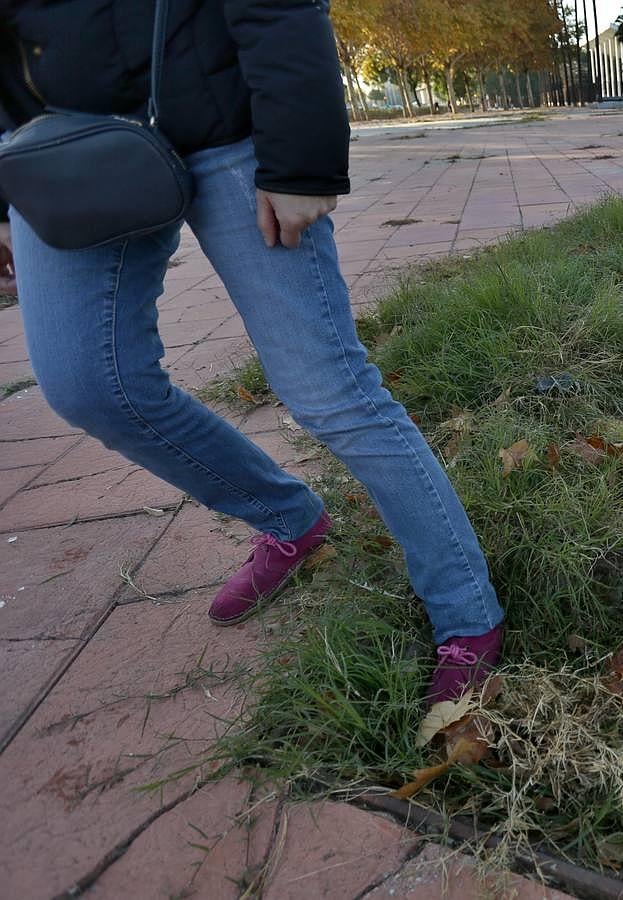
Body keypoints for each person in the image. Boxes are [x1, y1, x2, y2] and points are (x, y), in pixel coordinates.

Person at [0, 0, 503, 703]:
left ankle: (467, 611)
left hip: (223, 122)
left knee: (328, 390)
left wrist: (299, 157)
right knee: (88, 386)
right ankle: (289, 517)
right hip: (61, 151)